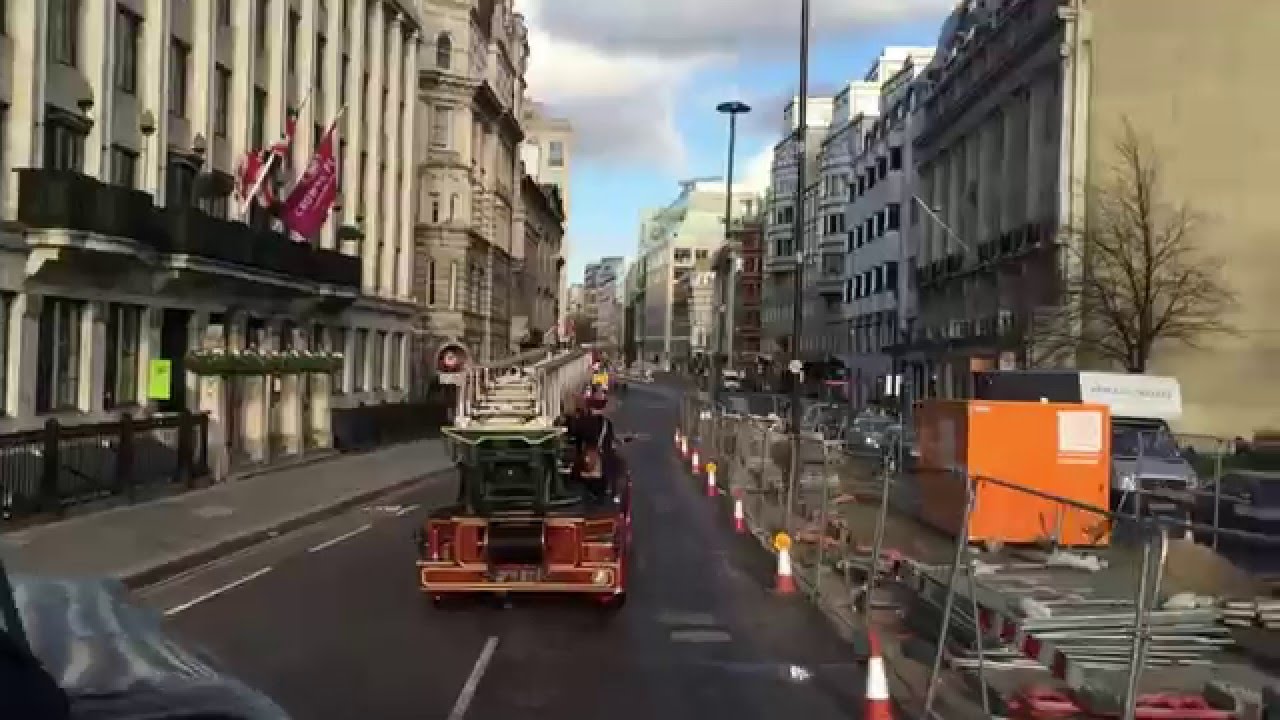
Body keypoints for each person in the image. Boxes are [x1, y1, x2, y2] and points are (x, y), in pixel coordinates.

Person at [570, 388, 617, 504]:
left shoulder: (582, 422)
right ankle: (612, 496)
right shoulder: (607, 424)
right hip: (601, 469)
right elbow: (609, 445)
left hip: (584, 466)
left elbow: (574, 435)